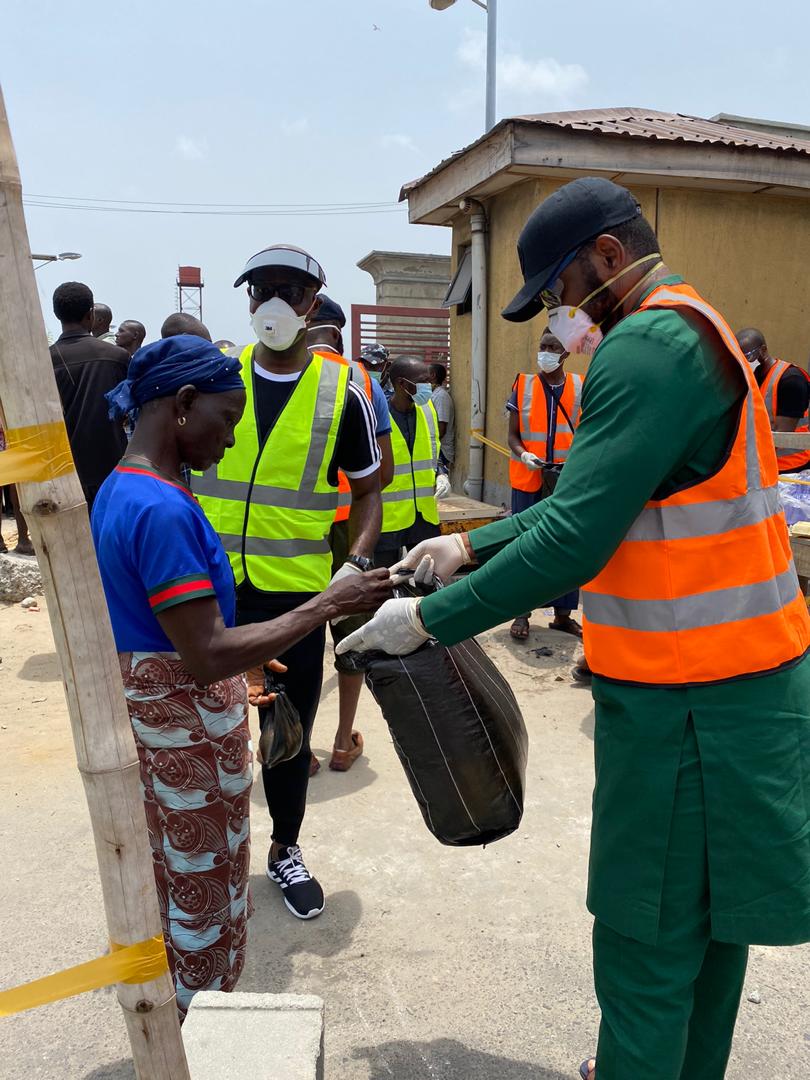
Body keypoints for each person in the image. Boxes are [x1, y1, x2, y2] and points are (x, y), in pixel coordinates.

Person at [337, 177, 810, 1080]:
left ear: (608, 255)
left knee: (646, 949)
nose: (563, 316)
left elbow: (574, 540)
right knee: (712, 941)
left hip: (687, 711)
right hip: (749, 689)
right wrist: (468, 548)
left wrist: (426, 619)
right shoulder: (694, 327)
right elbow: (601, 506)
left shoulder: (643, 352)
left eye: (560, 291)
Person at [93, 334, 391, 1019]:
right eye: (227, 420)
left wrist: (237, 660)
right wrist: (327, 604)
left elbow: (171, 633)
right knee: (201, 891)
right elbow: (203, 654)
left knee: (176, 877)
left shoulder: (123, 486)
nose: (231, 440)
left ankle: (186, 1015)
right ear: (183, 404)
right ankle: (196, 1033)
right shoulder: (163, 509)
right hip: (186, 738)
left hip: (169, 718)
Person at [192, 244, 382, 919]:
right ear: (248, 301)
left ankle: (285, 848)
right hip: (208, 591)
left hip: (293, 597)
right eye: (262, 289)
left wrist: (356, 563)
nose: (273, 302)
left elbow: (369, 492)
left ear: (311, 305)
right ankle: (208, 853)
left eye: (289, 291)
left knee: (285, 732)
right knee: (203, 726)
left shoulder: (343, 394)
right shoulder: (216, 377)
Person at [307, 297, 394, 773]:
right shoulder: (361, 381)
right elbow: (384, 473)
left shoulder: (266, 372)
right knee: (351, 635)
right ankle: (343, 742)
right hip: (349, 528)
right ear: (339, 333)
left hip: (289, 530)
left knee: (289, 633)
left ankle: (291, 746)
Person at [506, 328, 583, 641]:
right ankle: (521, 612)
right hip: (529, 478)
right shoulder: (523, 384)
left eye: (553, 347)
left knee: (566, 545)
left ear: (566, 353)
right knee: (525, 546)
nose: (546, 352)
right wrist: (523, 454)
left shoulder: (580, 386)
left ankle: (563, 615)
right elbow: (512, 435)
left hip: (566, 481)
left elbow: (588, 432)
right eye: (543, 346)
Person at [50, 282, 129, 511]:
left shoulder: (44, 360)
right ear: (91, 314)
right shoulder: (117, 357)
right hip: (111, 468)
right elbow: (127, 412)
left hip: (63, 471)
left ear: (56, 314)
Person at [374, 355, 441, 570]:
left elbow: (434, 450)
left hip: (424, 515)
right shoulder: (378, 416)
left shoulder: (428, 410)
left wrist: (442, 474)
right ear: (402, 384)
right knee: (385, 578)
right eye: (423, 381)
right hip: (389, 517)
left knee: (428, 576)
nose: (429, 386)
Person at [736, 327, 810, 472]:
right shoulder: (756, 377)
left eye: (747, 356)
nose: (744, 361)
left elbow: (782, 435)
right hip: (765, 463)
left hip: (791, 466)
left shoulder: (791, 380)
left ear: (763, 350)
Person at [429, 362, 455, 470]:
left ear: (433, 375)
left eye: (425, 373)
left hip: (441, 451)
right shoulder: (433, 394)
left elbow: (441, 429)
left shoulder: (441, 396)